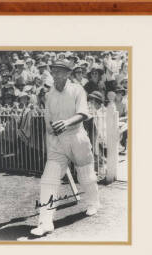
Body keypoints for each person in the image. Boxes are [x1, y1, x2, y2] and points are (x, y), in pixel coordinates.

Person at [30, 60, 100, 236]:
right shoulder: (50, 95)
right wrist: (51, 145)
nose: (56, 75)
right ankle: (45, 223)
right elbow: (48, 126)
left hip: (78, 137)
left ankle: (94, 203)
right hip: (57, 142)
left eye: (61, 72)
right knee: (48, 180)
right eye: (54, 71)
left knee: (86, 177)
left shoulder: (78, 90)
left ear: (68, 73)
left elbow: (84, 113)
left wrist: (67, 122)